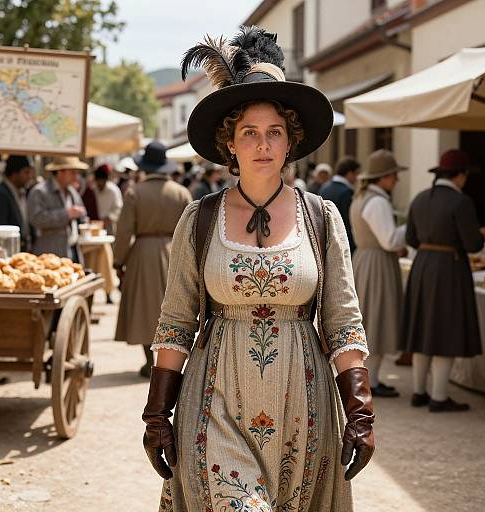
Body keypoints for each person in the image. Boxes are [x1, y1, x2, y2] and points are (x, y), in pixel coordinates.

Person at [142, 27, 374, 512]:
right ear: (230, 143)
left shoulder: (321, 217)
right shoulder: (199, 218)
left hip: (303, 405)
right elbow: (176, 322)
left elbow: (343, 322)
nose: (262, 144)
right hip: (216, 397)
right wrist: (158, 414)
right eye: (249, 132)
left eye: (275, 132)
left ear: (291, 141)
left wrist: (360, 411)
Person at [401, 149, 484, 412]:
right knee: (445, 330)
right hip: (449, 267)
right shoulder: (461, 202)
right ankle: (438, 396)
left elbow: (411, 238)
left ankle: (419, 392)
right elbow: (473, 244)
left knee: (424, 327)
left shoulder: (420, 198)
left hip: (423, 264)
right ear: (459, 175)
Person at [113, 141, 192, 378]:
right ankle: (168, 363)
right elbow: (192, 230)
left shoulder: (134, 192)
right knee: (174, 310)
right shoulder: (181, 192)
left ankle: (149, 362)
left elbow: (124, 231)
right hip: (174, 252)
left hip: (143, 253)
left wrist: (118, 261)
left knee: (143, 309)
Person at [350, 149, 407, 398]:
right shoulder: (378, 201)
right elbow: (390, 241)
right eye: (393, 174)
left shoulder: (361, 198)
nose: (396, 179)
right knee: (377, 317)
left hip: (365, 259)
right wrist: (411, 226)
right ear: (382, 177)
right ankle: (370, 380)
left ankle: (370, 377)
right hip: (377, 262)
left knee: (371, 317)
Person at [27, 156, 87, 261]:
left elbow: (83, 213)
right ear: (60, 172)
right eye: (72, 172)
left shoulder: (72, 191)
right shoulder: (40, 191)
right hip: (50, 253)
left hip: (71, 249)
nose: (76, 176)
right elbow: (36, 218)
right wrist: (66, 214)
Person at [319, 156, 360, 253]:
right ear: (350, 173)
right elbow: (349, 221)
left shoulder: (324, 188)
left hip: (324, 240)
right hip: (343, 242)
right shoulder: (347, 192)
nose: (357, 178)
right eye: (356, 174)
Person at [0, 155, 35, 251]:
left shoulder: (23, 191)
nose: (30, 176)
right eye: (26, 172)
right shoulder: (1, 193)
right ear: (14, 173)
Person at [93, 163, 123, 235]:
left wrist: (109, 217)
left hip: (110, 225)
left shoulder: (113, 190)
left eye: (101, 182)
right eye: (98, 182)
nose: (99, 184)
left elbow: (118, 208)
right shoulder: (94, 190)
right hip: (96, 224)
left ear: (105, 180)